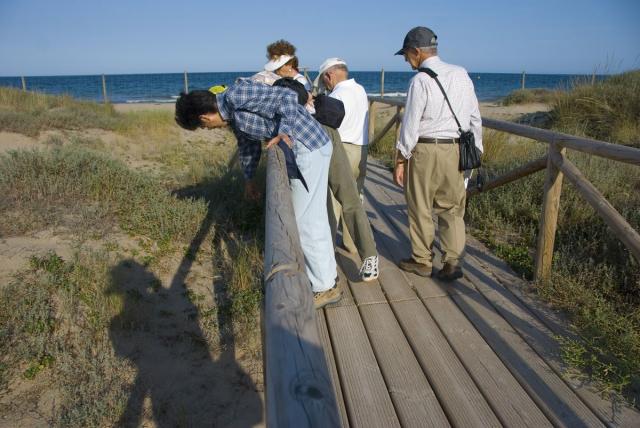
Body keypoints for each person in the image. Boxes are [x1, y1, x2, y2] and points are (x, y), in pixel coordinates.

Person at [174, 81, 342, 308]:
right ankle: (327, 279)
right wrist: (249, 180)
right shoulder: (233, 117)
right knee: (313, 218)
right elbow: (248, 146)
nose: (208, 129)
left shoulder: (236, 94)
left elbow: (287, 96)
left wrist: (283, 131)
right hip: (306, 149)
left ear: (204, 117)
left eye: (203, 127)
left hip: (308, 146)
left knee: (303, 222)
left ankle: (325, 287)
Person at [392, 26, 483, 281]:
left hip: (425, 149)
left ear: (416, 52)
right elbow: (475, 117)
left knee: (420, 205)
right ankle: (452, 261)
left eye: (406, 55)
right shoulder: (461, 74)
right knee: (452, 208)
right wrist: (476, 151)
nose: (406, 60)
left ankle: (422, 260)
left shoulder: (420, 80)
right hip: (456, 150)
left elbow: (410, 124)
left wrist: (400, 159)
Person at [273, 77, 379, 282]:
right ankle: (353, 259)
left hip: (321, 139)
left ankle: (362, 256)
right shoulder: (295, 96)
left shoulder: (286, 104)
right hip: (321, 140)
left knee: (339, 200)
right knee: (337, 203)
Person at [316, 58, 376, 271]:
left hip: (342, 149)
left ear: (329, 75)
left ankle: (328, 247)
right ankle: (352, 244)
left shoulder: (337, 95)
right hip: (362, 149)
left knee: (333, 201)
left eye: (325, 81)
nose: (326, 86)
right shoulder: (360, 89)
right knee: (355, 198)